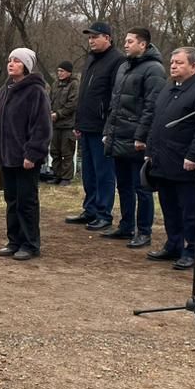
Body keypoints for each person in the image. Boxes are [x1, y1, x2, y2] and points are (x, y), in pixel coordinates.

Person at [144, 47, 195, 270]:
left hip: (185, 162)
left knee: (189, 210)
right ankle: (173, 244)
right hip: (162, 159)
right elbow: (157, 121)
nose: (173, 66)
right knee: (169, 206)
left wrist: (193, 155)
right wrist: (150, 149)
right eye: (172, 62)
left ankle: (190, 249)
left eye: (179, 63)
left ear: (194, 66)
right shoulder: (168, 87)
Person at [101, 27, 166, 248]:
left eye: (130, 41)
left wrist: (142, 136)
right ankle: (126, 225)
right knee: (124, 185)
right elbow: (115, 103)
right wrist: (108, 132)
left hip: (137, 140)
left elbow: (152, 106)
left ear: (143, 44)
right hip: (118, 136)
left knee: (142, 187)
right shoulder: (123, 67)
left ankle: (144, 231)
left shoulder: (154, 70)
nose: (125, 45)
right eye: (125, 41)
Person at [0, 48, 53, 261]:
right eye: (9, 60)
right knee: (12, 200)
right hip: (7, 156)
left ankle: (30, 243)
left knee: (27, 201)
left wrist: (32, 154)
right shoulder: (5, 90)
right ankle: (14, 241)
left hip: (25, 157)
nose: (11, 64)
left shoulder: (36, 92)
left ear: (26, 66)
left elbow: (41, 126)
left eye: (17, 61)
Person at [65, 21, 125, 232]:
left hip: (102, 127)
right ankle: (89, 209)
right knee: (88, 173)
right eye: (89, 37)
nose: (91, 41)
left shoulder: (117, 60)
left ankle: (103, 213)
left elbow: (115, 96)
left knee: (104, 173)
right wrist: (78, 121)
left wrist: (109, 126)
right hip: (86, 125)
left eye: (95, 37)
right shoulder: (90, 59)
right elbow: (84, 94)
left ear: (107, 38)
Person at [48, 60, 79, 185]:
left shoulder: (74, 85)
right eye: (58, 71)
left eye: (62, 71)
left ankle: (66, 178)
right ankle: (57, 174)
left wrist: (59, 114)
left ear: (69, 72)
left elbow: (73, 104)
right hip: (55, 124)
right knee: (55, 151)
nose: (59, 73)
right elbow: (50, 99)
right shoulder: (55, 85)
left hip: (68, 124)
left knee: (67, 152)